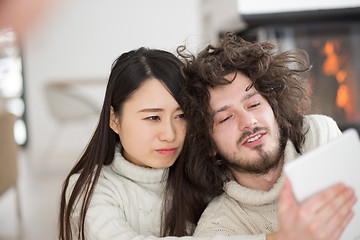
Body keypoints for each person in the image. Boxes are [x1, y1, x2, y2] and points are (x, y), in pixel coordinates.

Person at [58, 47, 266, 240]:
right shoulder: (89, 188)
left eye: (181, 115)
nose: (169, 134)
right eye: (153, 118)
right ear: (114, 119)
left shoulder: (201, 172)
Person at [174, 32, 357, 240]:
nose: (249, 122)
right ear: (209, 145)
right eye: (225, 118)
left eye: (253, 104)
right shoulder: (217, 227)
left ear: (274, 108)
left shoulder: (318, 137)